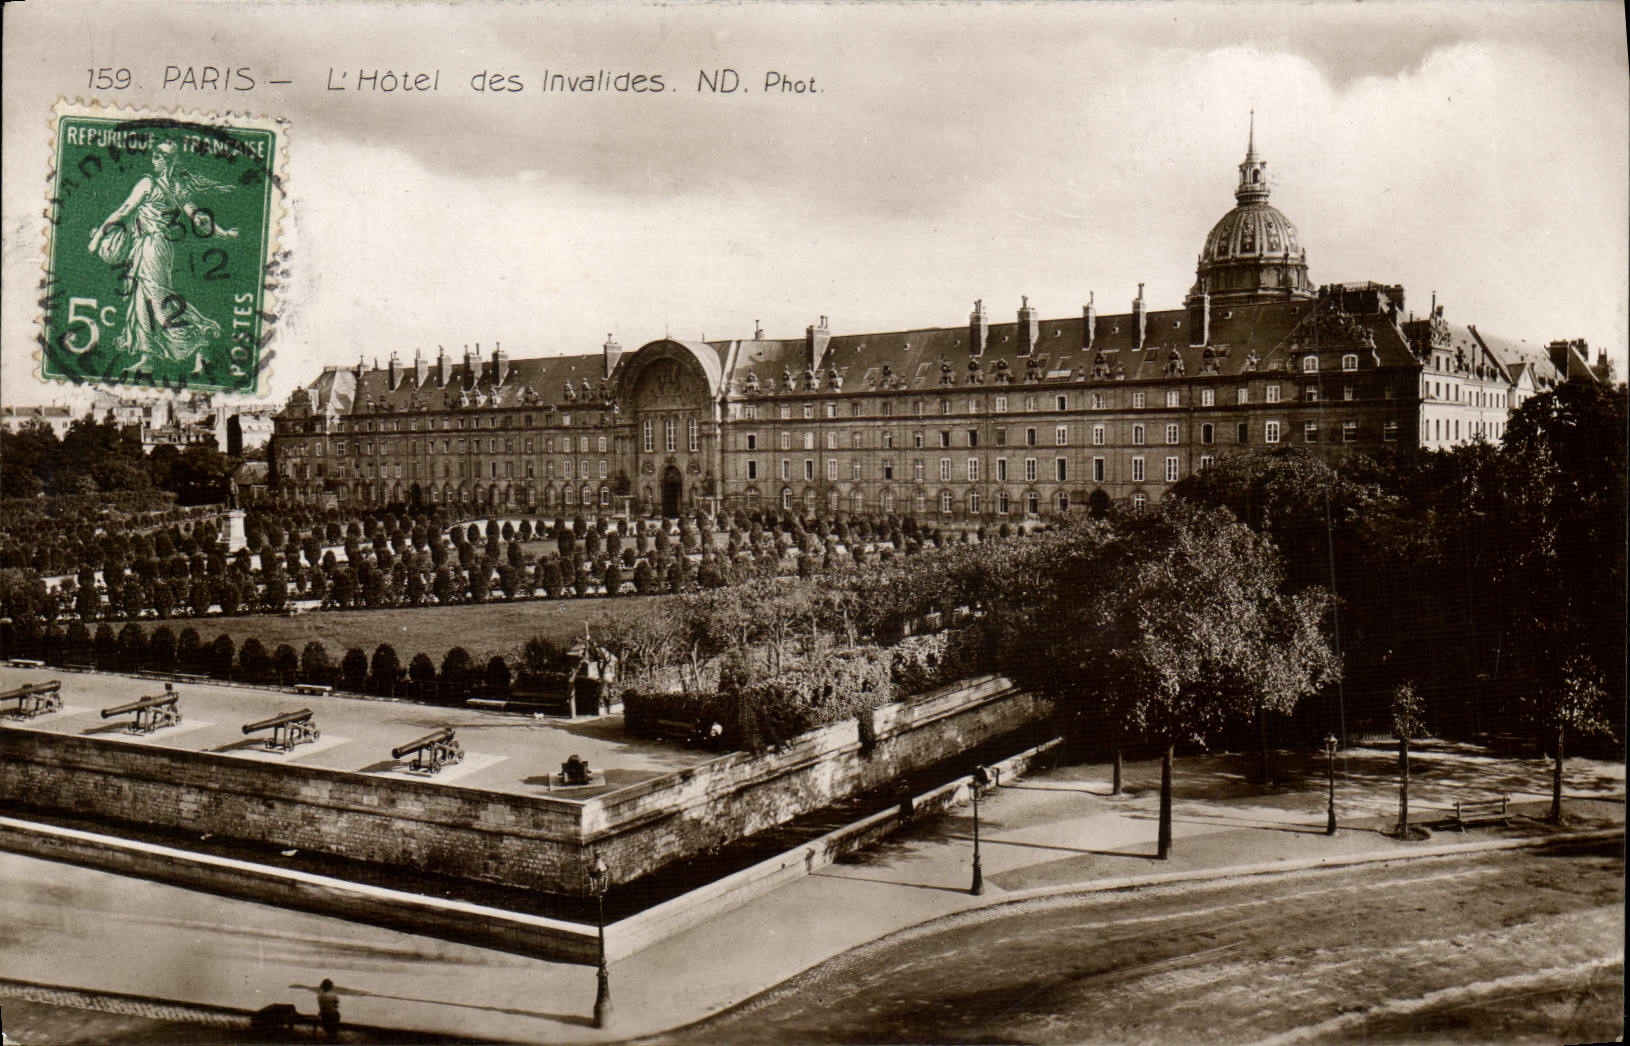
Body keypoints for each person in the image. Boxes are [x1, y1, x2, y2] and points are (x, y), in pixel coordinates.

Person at [86, 137, 238, 374]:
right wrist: (223, 233)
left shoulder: (148, 183)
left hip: (151, 247)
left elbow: (125, 210)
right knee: (141, 301)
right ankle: (148, 359)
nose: (153, 160)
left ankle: (199, 340)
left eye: (157, 156)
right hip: (158, 247)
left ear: (166, 161)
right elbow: (198, 217)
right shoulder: (179, 187)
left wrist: (97, 238)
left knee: (158, 301)